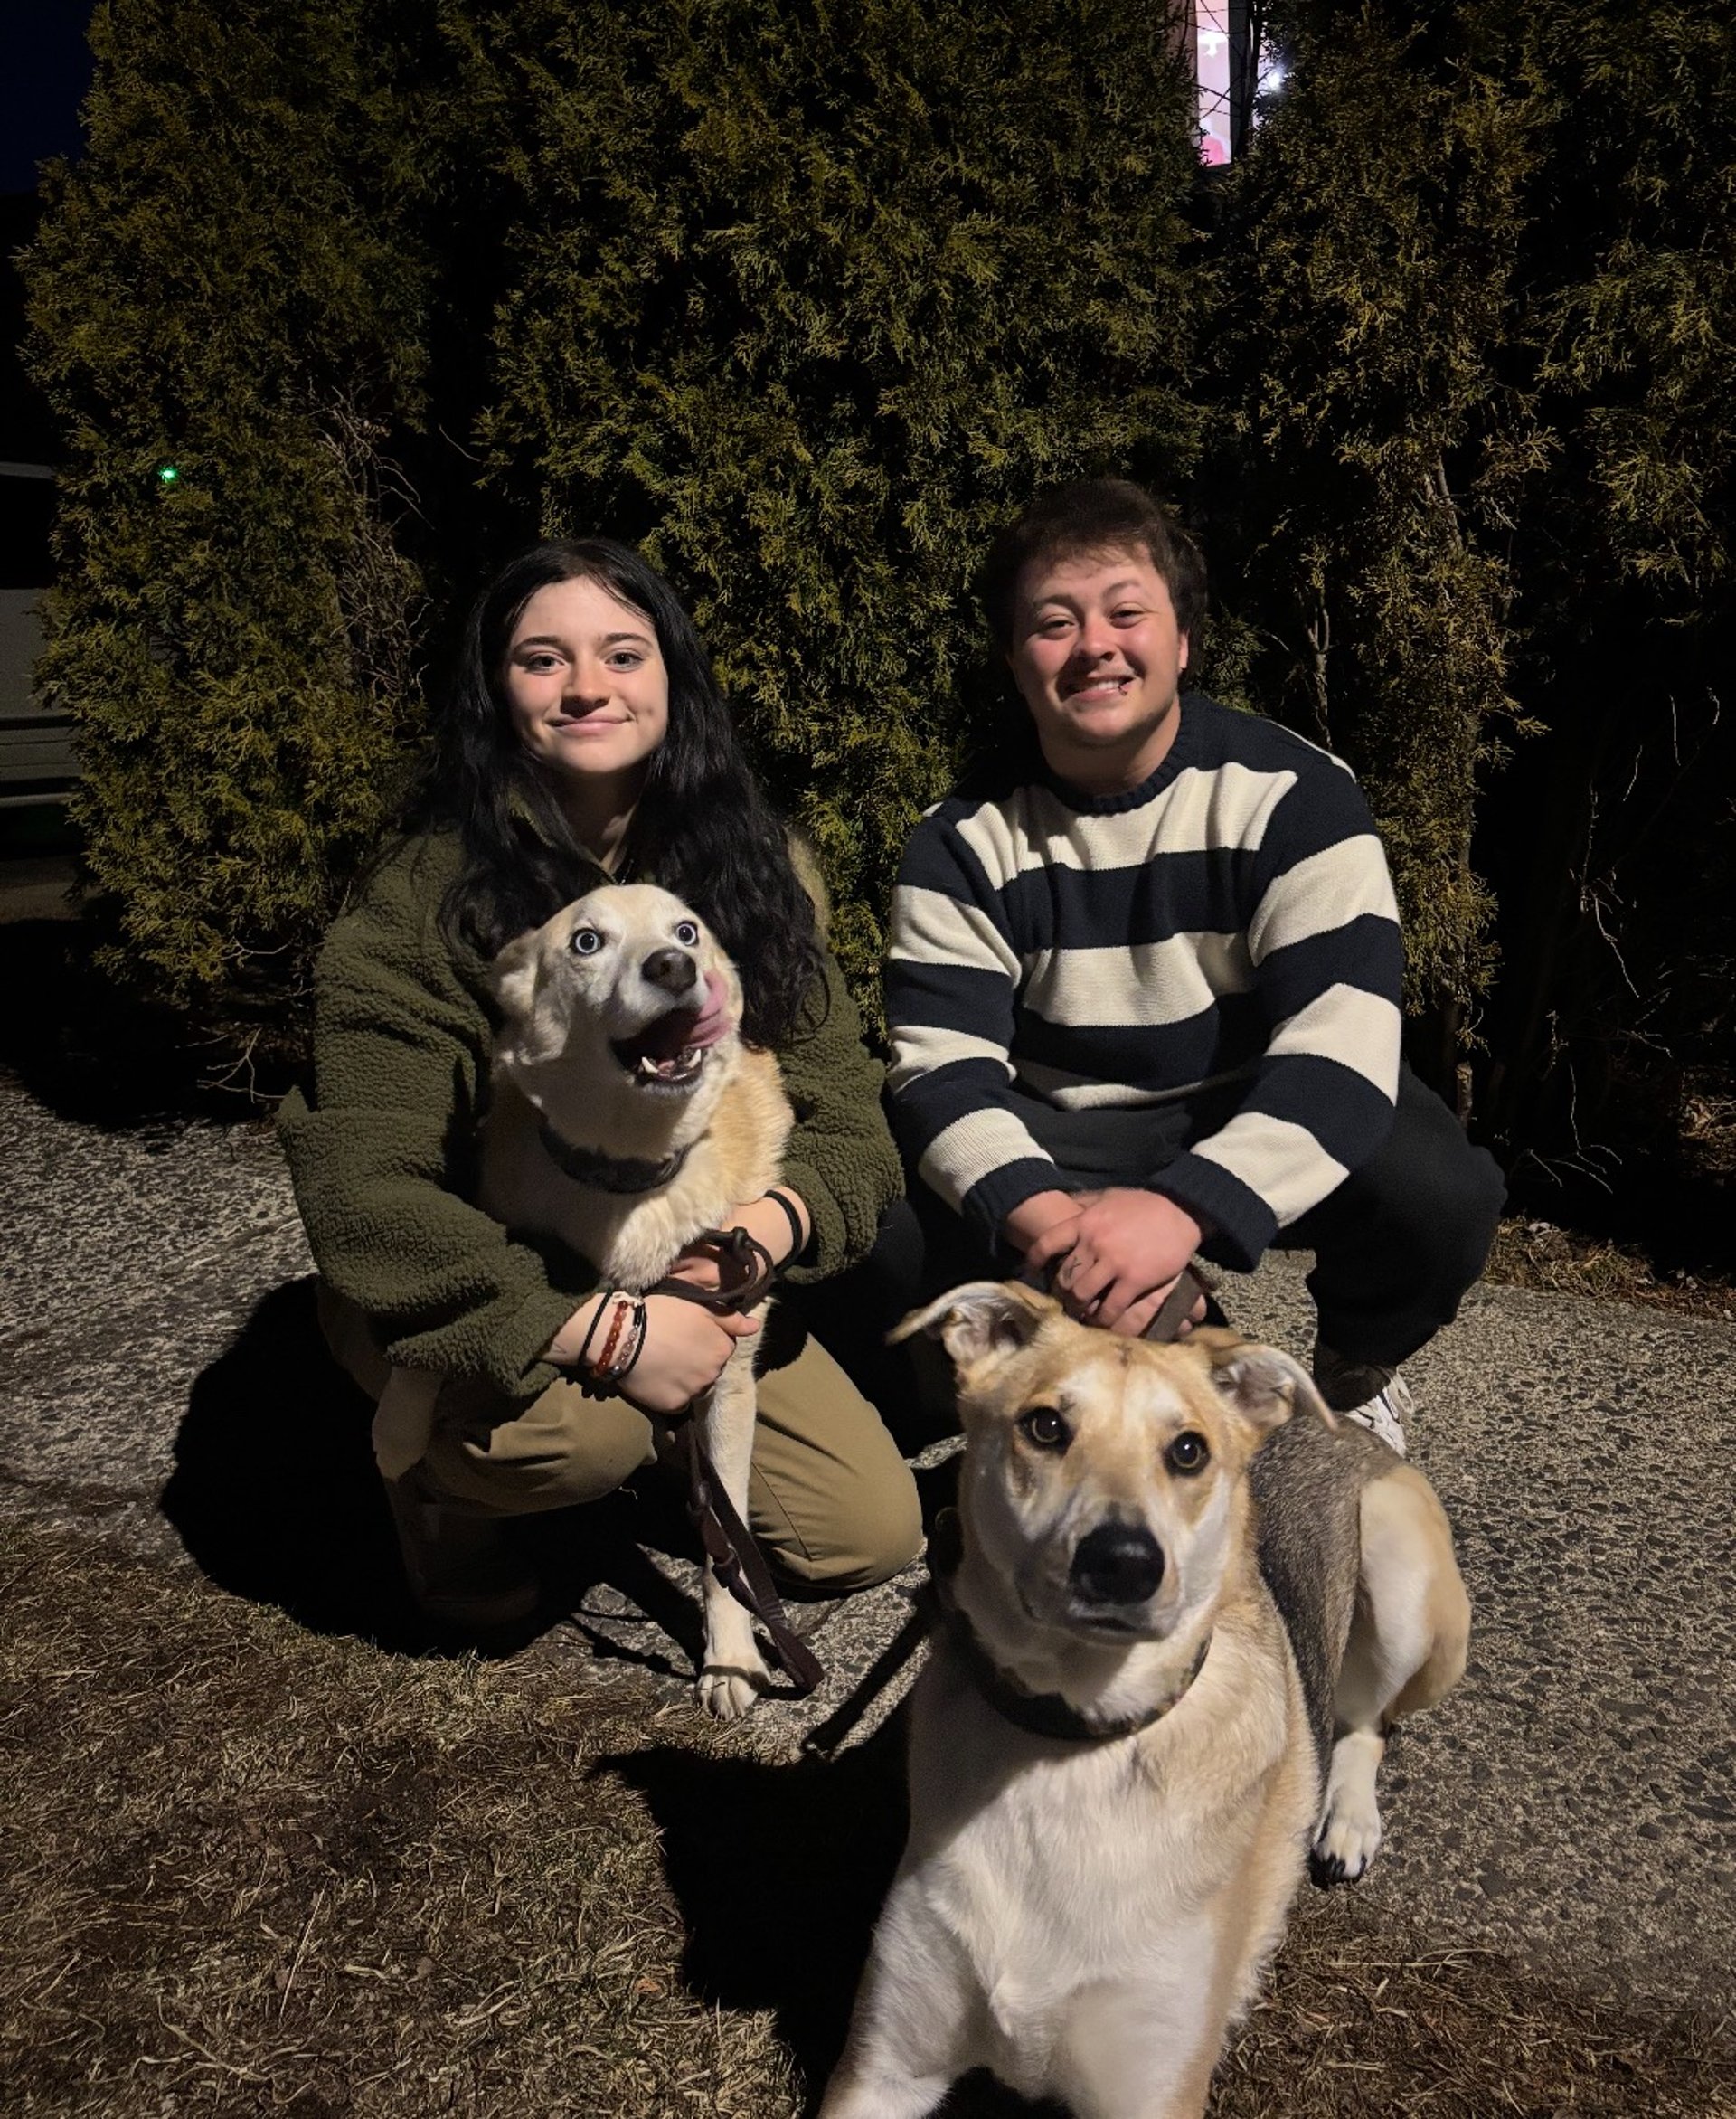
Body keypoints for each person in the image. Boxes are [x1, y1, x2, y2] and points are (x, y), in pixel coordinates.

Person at [279, 537, 922, 1628]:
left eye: (624, 654)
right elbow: (364, 1194)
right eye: (543, 659)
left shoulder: (754, 869)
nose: (588, 686)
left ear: (673, 678)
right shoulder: (418, 905)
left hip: (690, 1249)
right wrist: (613, 1338)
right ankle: (438, 1486)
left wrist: (754, 1240)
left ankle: (663, 1437)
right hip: (489, 1263)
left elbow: (846, 1109)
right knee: (579, 1435)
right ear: (496, 691)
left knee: (865, 1534)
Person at [884, 478, 1505, 1452]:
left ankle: (1353, 1367)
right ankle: (1005, 1397)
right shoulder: (961, 839)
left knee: (1436, 1189)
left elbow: (1341, 1046)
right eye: (1054, 623)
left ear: (1182, 642)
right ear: (1015, 661)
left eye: (1126, 613)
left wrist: (1181, 1213)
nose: (1094, 644)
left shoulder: (1296, 795)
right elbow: (940, 1071)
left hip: (1237, 1098)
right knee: (885, 1236)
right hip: (1059, 1128)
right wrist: (1059, 1233)